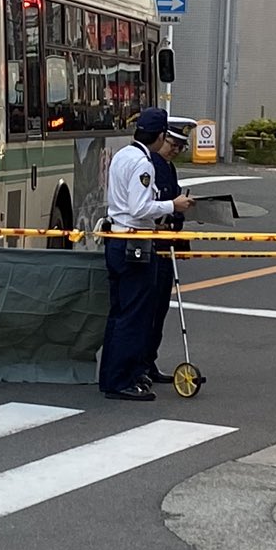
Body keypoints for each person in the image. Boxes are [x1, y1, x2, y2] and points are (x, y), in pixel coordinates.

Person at [99, 106, 192, 402]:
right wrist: (171, 206)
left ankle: (111, 377)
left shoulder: (122, 156)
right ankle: (123, 380)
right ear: (160, 135)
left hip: (115, 238)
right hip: (134, 242)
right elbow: (140, 208)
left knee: (119, 313)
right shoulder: (143, 163)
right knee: (134, 315)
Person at [142, 116, 194, 385]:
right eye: (172, 143)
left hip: (166, 241)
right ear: (161, 138)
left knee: (160, 307)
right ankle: (141, 362)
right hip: (153, 242)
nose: (175, 150)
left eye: (180, 147)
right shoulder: (150, 165)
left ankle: (149, 361)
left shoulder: (168, 167)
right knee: (149, 307)